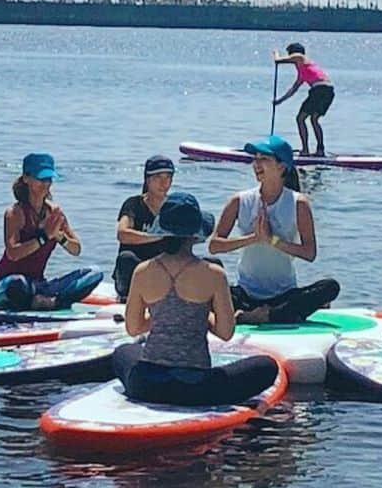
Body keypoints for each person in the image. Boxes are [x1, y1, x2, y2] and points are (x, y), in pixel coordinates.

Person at [112, 191, 279, 405]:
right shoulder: (213, 274)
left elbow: (133, 328)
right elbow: (226, 332)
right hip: (197, 387)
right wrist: (200, 315)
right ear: (195, 234)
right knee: (267, 366)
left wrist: (165, 317)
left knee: (122, 353)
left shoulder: (142, 271)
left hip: (147, 384)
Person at [208, 135, 340, 324]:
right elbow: (214, 245)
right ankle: (261, 315)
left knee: (329, 287)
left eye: (265, 159)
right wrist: (253, 238)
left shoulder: (298, 203)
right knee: (207, 274)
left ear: (282, 167)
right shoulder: (239, 201)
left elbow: (309, 253)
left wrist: (273, 240)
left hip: (283, 295)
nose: (257, 164)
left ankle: (266, 316)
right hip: (245, 294)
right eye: (256, 159)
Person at [0, 152, 103, 310]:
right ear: (26, 179)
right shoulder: (14, 213)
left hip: (38, 285)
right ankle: (43, 303)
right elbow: (13, 253)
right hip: (7, 286)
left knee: (94, 273)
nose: (46, 184)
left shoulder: (55, 213)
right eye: (41, 179)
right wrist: (43, 237)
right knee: (17, 284)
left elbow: (76, 249)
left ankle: (49, 302)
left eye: (49, 179)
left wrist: (59, 236)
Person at [113, 155, 175, 300]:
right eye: (158, 177)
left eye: (168, 177)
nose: (163, 183)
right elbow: (122, 234)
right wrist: (158, 236)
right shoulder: (134, 204)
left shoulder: (174, 207)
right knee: (126, 258)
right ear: (147, 180)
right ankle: (126, 300)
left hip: (163, 270)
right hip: (136, 270)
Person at [272, 43, 335, 156]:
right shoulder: (303, 71)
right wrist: (280, 100)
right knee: (314, 119)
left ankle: (305, 150)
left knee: (300, 119)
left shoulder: (300, 57)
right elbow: (294, 89)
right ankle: (320, 150)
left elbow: (278, 60)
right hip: (328, 90)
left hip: (319, 89)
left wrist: (275, 53)